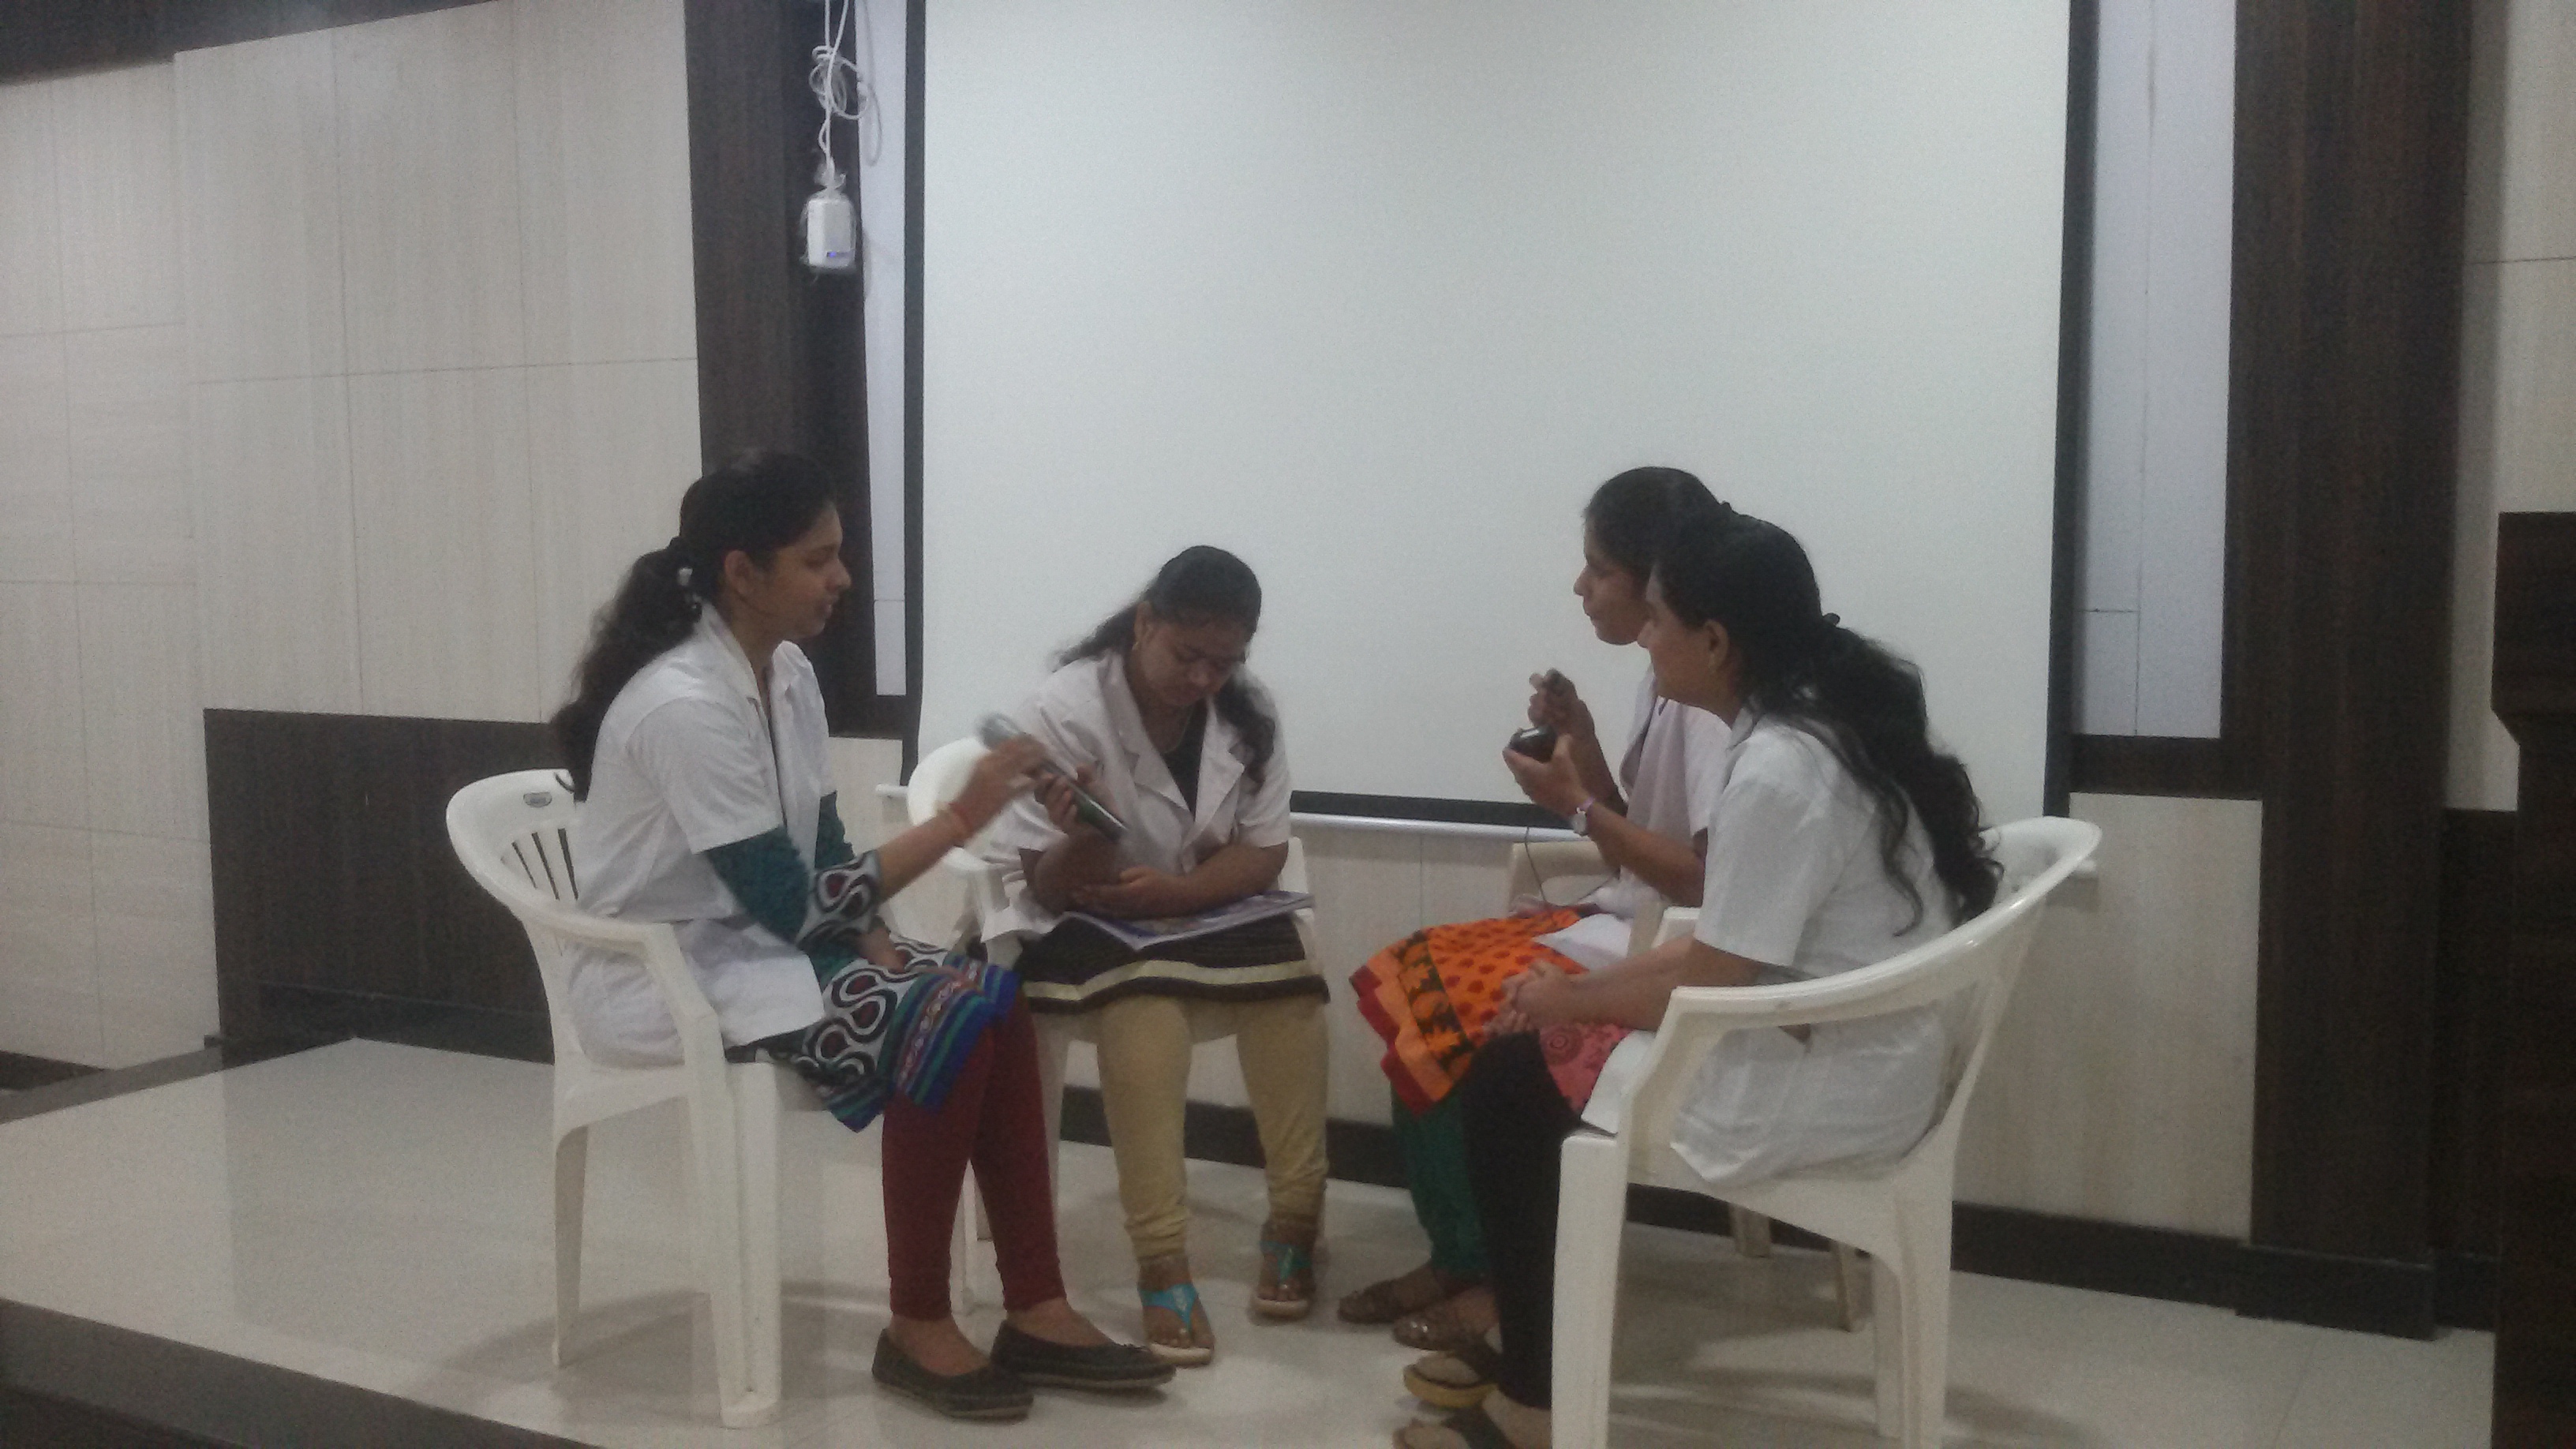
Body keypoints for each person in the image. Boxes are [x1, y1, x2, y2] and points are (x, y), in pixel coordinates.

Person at [550, 451, 1170, 1424]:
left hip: (761, 945)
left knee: (991, 999)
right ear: (742, 573)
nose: (842, 578)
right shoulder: (684, 705)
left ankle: (1036, 1306)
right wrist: (958, 821)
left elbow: (821, 837)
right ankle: (917, 1323)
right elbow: (792, 905)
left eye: (839, 555)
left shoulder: (786, 672)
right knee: (940, 1017)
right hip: (667, 974)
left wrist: (871, 931)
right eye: (818, 559)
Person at [1395, 503, 2001, 1449]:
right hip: (1843, 1039)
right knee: (1532, 1048)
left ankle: (1532, 1404)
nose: (1643, 637)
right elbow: (1727, 941)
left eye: (1656, 620)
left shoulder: (1780, 768)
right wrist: (1573, 999)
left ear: (1715, 641)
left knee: (1508, 1084)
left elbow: (1714, 973)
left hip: (1824, 1073)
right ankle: (1529, 1340)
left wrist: (1567, 1000)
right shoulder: (1821, 722)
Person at [1345, 468, 1731, 1357]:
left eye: (1600, 568)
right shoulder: (1662, 674)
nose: (1580, 586)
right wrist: (1585, 746)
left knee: (1457, 1013)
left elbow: (1703, 882)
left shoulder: (1711, 701)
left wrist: (1578, 808)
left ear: (1656, 581)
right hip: (1627, 915)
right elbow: (1645, 832)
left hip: (1659, 944)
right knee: (1413, 975)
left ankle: (1491, 1276)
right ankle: (1460, 1255)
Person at [979, 545, 1325, 1366]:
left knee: (1294, 998)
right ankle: (1162, 1260)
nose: (1204, 679)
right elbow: (1050, 885)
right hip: (1087, 911)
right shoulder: (1062, 709)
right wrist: (1089, 833)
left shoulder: (1249, 713)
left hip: (1197, 901)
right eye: (1187, 655)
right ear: (1144, 624)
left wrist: (1179, 894)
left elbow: (1264, 851)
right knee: (1146, 1013)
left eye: (1224, 662)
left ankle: (1296, 1221)